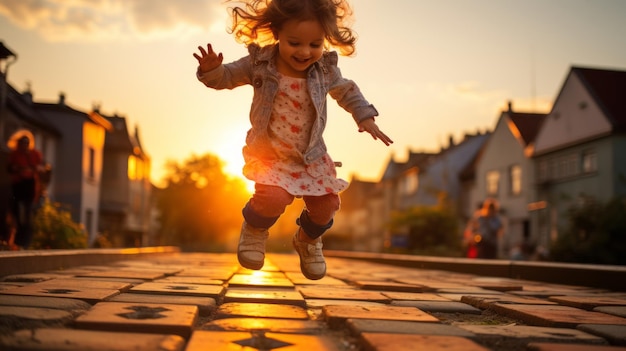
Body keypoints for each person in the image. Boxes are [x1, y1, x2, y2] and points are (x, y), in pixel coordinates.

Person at [193, 0, 393, 279]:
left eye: (315, 44)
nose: (304, 52)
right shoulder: (259, 62)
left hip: (310, 156)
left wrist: (365, 117)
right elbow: (226, 78)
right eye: (294, 42)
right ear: (277, 33)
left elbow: (347, 92)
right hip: (269, 154)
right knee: (273, 197)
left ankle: (308, 240)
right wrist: (212, 70)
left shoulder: (325, 70)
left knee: (327, 206)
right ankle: (254, 230)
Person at [6, 131, 45, 249]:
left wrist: (36, 169)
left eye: (27, 143)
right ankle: (16, 239)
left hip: (30, 185)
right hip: (18, 185)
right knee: (16, 212)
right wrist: (17, 169)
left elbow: (42, 168)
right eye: (22, 143)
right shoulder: (15, 154)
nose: (25, 145)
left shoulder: (35, 154)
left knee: (28, 213)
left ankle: (25, 240)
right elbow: (9, 168)